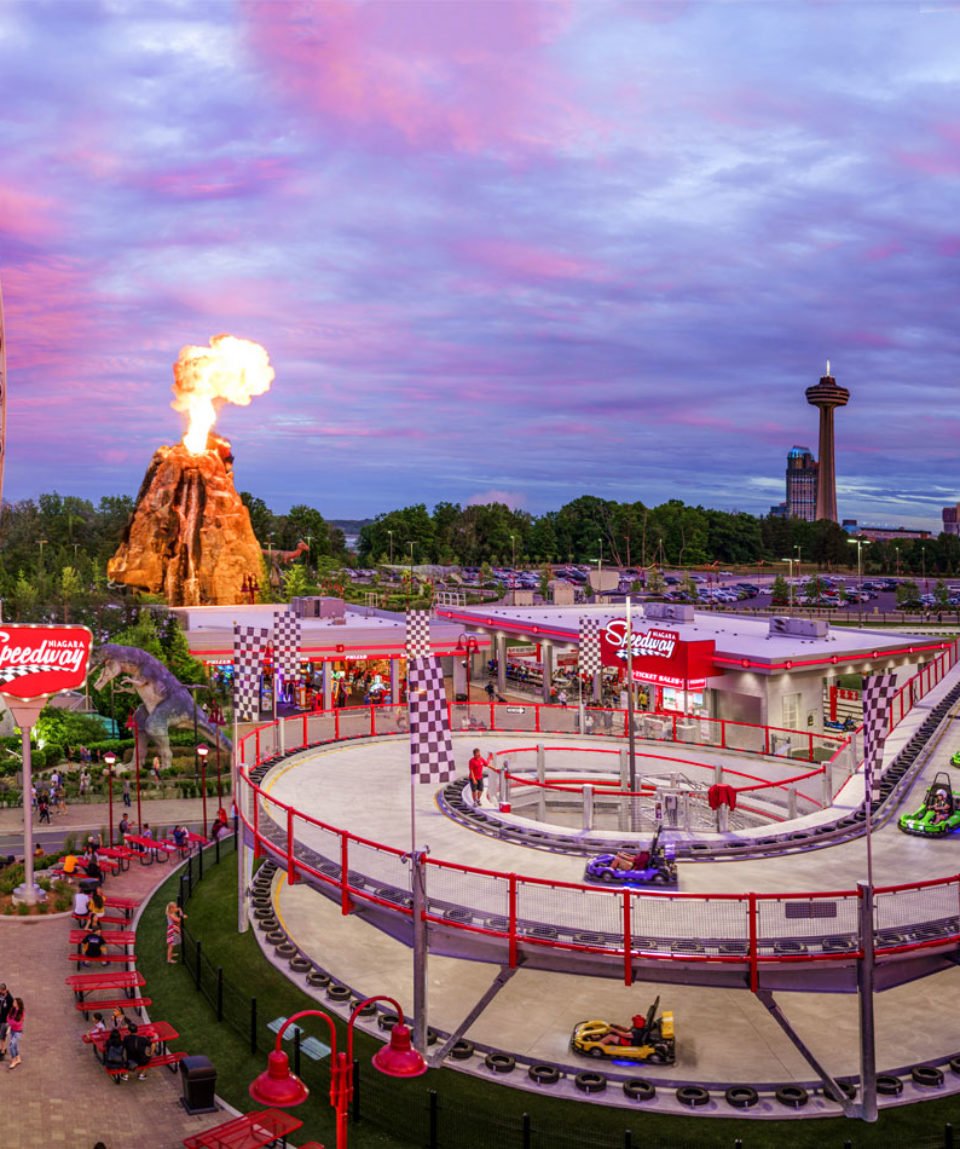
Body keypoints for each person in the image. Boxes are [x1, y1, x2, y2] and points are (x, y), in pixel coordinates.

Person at [7, 997, 24, 1069]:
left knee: (11, 1045)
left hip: (18, 1032)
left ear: (18, 1004)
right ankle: (18, 1058)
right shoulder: (12, 1009)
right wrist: (11, 1024)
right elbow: (8, 1018)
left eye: (14, 1002)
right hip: (13, 1030)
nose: (13, 1003)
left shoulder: (21, 1012)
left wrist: (10, 1024)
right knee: (15, 1045)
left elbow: (18, 1023)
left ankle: (13, 1060)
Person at [0, 983, 12, 1060]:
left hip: (5, 1020)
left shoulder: (9, 999)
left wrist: (9, 1022)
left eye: (1, 990)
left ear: (4, 990)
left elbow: (11, 1011)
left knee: (2, 1036)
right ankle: (2, 1048)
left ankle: (2, 1052)